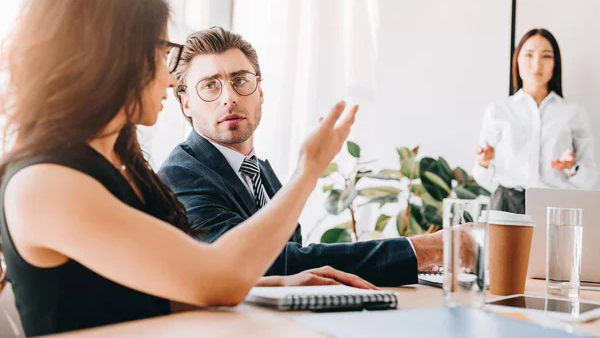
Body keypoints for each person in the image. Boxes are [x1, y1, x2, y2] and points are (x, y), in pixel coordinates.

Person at [0, 0, 376, 337]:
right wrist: (309, 169)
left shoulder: (116, 168)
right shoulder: (46, 185)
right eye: (162, 53)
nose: (168, 77)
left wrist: (278, 285)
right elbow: (217, 280)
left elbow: (156, 292)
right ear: (113, 58)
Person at [159, 27, 446, 287]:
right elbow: (268, 265)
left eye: (240, 80)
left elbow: (295, 262)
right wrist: (424, 249)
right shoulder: (180, 175)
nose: (229, 97)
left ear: (260, 92)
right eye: (210, 85)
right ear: (186, 103)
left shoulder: (259, 171)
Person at [473, 28, 598, 214]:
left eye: (546, 56)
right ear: (517, 60)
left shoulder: (574, 113)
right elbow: (483, 178)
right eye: (529, 55)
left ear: (556, 63)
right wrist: (484, 162)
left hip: (556, 208)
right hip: (506, 207)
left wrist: (572, 167)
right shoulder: (498, 111)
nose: (537, 64)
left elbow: (591, 180)